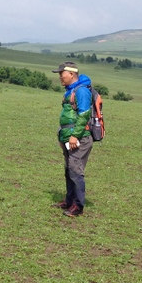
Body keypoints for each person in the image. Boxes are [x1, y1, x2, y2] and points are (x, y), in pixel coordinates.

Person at [52, 61, 94, 217]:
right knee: (69, 169)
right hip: (68, 138)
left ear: (71, 74)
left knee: (75, 171)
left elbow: (84, 115)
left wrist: (75, 136)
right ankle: (69, 201)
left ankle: (78, 206)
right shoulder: (70, 91)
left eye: (61, 74)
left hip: (79, 139)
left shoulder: (81, 91)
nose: (60, 77)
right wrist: (62, 136)